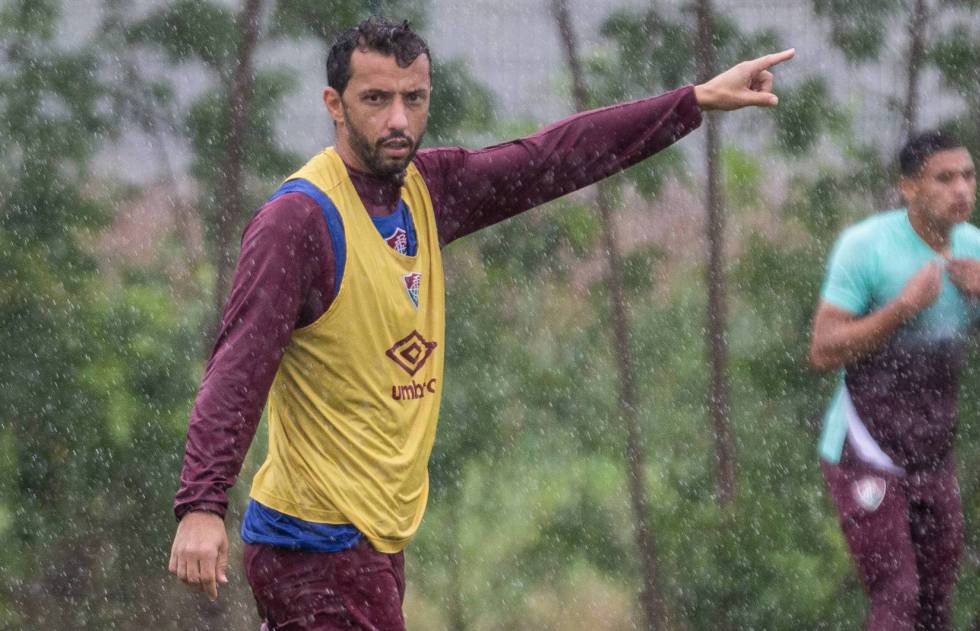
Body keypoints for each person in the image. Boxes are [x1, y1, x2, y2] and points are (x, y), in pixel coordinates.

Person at [167, 15, 795, 630]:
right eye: (376, 99)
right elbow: (238, 367)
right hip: (313, 545)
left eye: (414, 98)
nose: (398, 119)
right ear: (335, 104)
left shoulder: (427, 190)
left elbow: (552, 157)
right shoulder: (298, 220)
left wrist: (693, 101)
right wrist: (201, 504)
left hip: (371, 544)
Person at [808, 130, 980, 630]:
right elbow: (822, 349)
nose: (961, 189)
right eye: (944, 179)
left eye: (968, 176)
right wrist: (902, 309)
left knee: (934, 605)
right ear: (908, 188)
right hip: (864, 448)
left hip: (932, 455)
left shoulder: (979, 250)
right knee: (897, 593)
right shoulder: (866, 247)